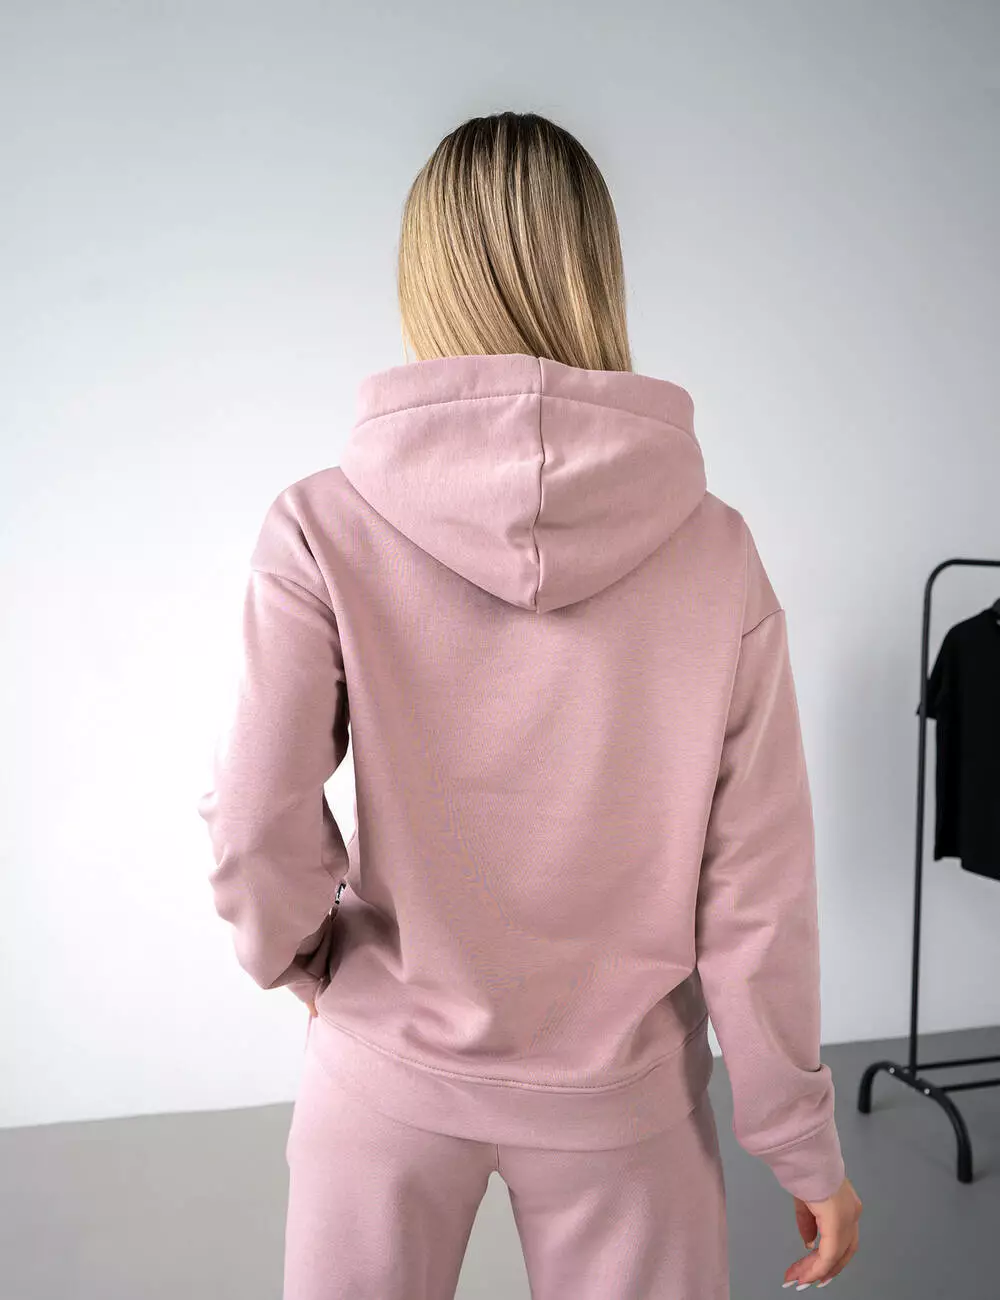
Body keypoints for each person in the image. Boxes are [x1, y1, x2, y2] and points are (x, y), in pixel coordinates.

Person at [198, 110, 862, 1299]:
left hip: (386, 1069)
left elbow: (254, 819)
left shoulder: (321, 525)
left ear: (425, 279)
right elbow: (756, 890)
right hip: (625, 1100)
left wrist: (305, 960)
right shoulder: (717, 553)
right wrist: (797, 1138)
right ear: (595, 271)